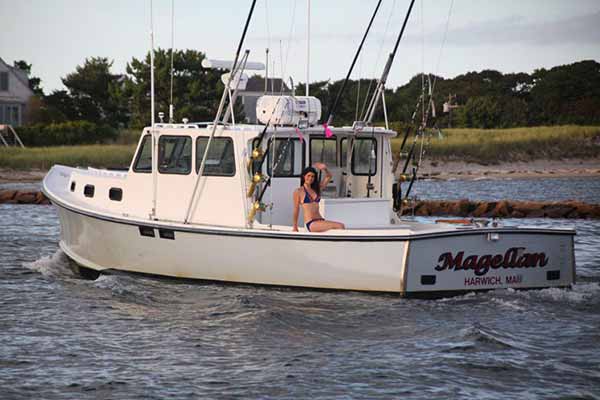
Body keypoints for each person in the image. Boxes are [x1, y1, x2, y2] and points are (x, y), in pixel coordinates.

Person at [293, 163, 345, 232]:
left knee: (340, 226)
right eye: (308, 176)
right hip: (311, 223)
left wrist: (325, 169)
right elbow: (296, 210)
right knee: (340, 226)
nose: (310, 178)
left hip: (320, 220)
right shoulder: (298, 191)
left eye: (312, 176)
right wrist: (295, 227)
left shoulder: (317, 189)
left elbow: (329, 176)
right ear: (304, 176)